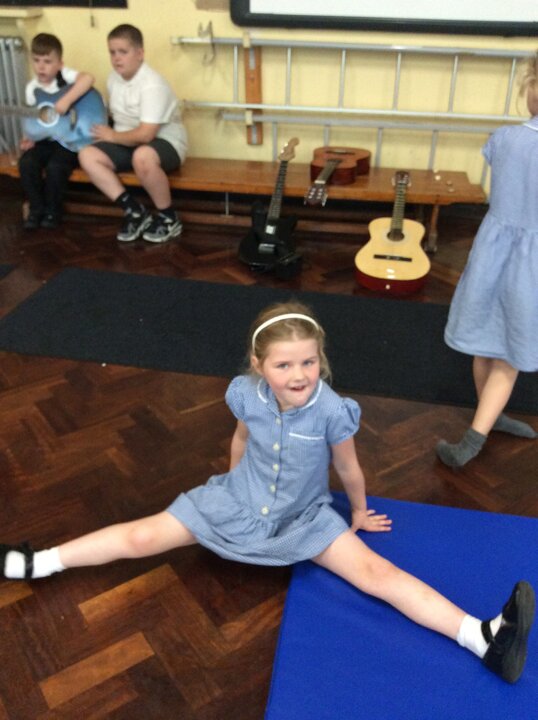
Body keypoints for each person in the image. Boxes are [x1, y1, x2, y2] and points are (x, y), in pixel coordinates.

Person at [0, 302, 535, 684]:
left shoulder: (332, 410)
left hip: (304, 519)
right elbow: (239, 439)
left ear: (320, 360)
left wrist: (358, 512)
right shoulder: (245, 393)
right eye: (284, 365)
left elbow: (348, 467)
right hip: (235, 501)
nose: (299, 374)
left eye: (309, 362)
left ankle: (482, 637)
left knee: (378, 574)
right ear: (258, 366)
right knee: (141, 536)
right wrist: (229, 489)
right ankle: (38, 562)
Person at [436, 51, 538, 468]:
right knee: (508, 355)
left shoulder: (504, 138)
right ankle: (476, 436)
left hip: (493, 253)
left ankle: (488, 417)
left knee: (486, 343)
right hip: (530, 264)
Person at [78, 24, 187, 244]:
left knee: (142, 156)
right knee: (87, 155)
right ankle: (134, 211)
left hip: (166, 142)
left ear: (140, 54)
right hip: (126, 140)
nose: (117, 58)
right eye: (112, 52)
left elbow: (146, 135)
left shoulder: (152, 84)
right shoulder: (113, 79)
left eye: (123, 52)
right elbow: (115, 119)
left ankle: (168, 217)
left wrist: (111, 137)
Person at [19, 33, 95, 230]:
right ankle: (36, 209)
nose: (41, 67)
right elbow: (32, 119)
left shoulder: (65, 76)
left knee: (56, 166)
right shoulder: (32, 88)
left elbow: (88, 79)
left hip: (70, 139)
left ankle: (53, 211)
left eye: (47, 62)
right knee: (27, 162)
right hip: (45, 139)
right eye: (36, 61)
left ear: (59, 64)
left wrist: (66, 101)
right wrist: (28, 136)